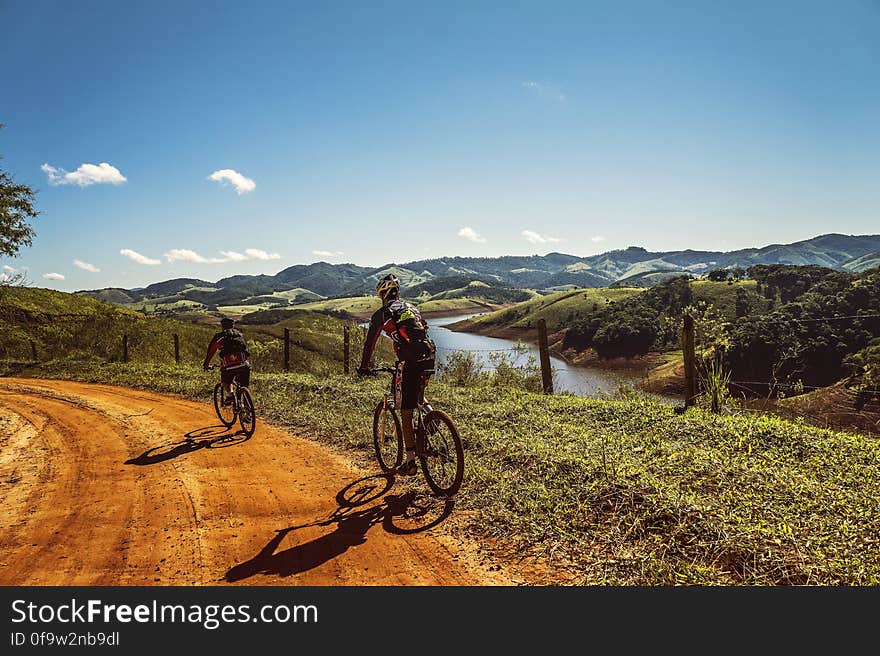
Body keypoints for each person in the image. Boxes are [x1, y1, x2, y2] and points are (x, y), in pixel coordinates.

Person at [358, 274, 436, 475]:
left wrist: (364, 367)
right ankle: (432, 416)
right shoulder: (412, 308)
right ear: (397, 293)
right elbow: (424, 330)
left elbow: (370, 344)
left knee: (406, 412)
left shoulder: (382, 314)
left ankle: (410, 462)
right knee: (418, 397)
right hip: (429, 355)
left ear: (382, 295)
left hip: (409, 362)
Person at [203, 316, 251, 405]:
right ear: (233, 325)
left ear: (222, 326)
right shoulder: (240, 335)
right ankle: (248, 414)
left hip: (229, 366)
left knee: (225, 381)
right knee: (244, 387)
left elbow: (211, 350)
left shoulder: (219, 337)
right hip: (244, 364)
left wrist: (206, 363)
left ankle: (230, 395)